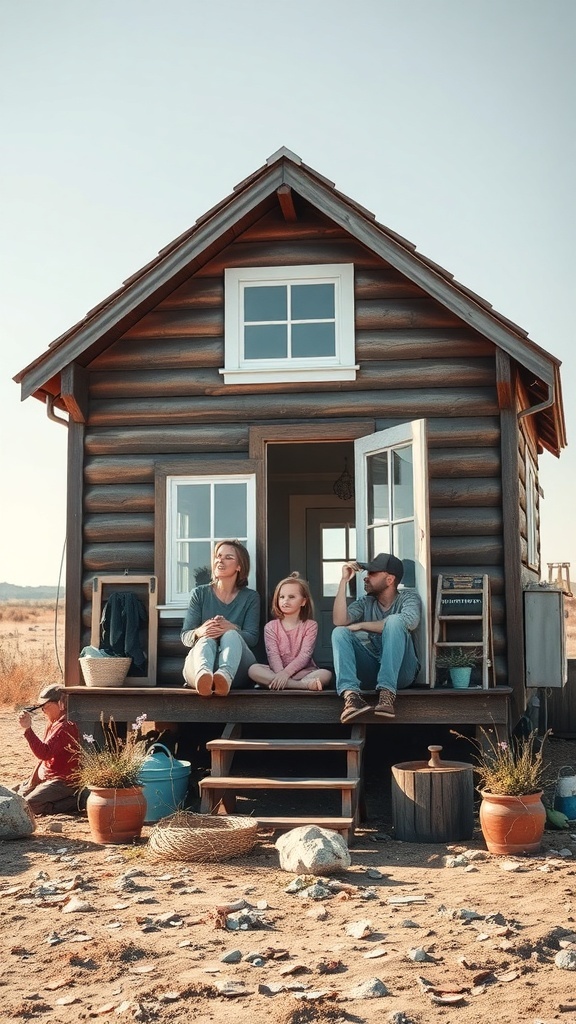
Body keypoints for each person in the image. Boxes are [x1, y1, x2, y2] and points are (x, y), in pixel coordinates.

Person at [331, 553, 421, 724]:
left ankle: (387, 694)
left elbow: (410, 621)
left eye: (372, 574)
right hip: (374, 670)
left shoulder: (408, 597)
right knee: (339, 632)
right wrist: (343, 581)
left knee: (395, 621)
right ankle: (352, 697)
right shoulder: (366, 602)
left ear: (389, 580)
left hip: (402, 672)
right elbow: (339, 620)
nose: (366, 577)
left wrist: (362, 625)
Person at [181, 539, 260, 696]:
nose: (220, 561)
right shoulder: (200, 594)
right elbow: (185, 636)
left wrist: (232, 628)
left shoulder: (251, 597)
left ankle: (224, 676)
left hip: (237, 671)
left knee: (231, 635)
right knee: (206, 639)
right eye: (218, 556)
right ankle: (205, 676)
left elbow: (252, 638)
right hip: (197, 669)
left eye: (228, 557)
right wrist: (200, 631)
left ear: (239, 566)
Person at [248, 572, 332, 691]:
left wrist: (285, 674)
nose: (285, 600)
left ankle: (274, 683)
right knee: (253, 670)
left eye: (291, 597)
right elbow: (273, 655)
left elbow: (305, 655)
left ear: (303, 601)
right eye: (281, 597)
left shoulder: (310, 625)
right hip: (276, 671)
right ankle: (301, 686)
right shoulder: (271, 627)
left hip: (302, 672)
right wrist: (280, 674)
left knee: (325, 675)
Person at [14, 684, 80, 814]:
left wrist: (28, 730)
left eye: (45, 706)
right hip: (47, 777)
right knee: (14, 796)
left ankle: (75, 802)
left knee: (28, 806)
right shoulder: (55, 722)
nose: (43, 711)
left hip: (62, 781)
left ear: (61, 704)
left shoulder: (66, 726)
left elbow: (44, 753)